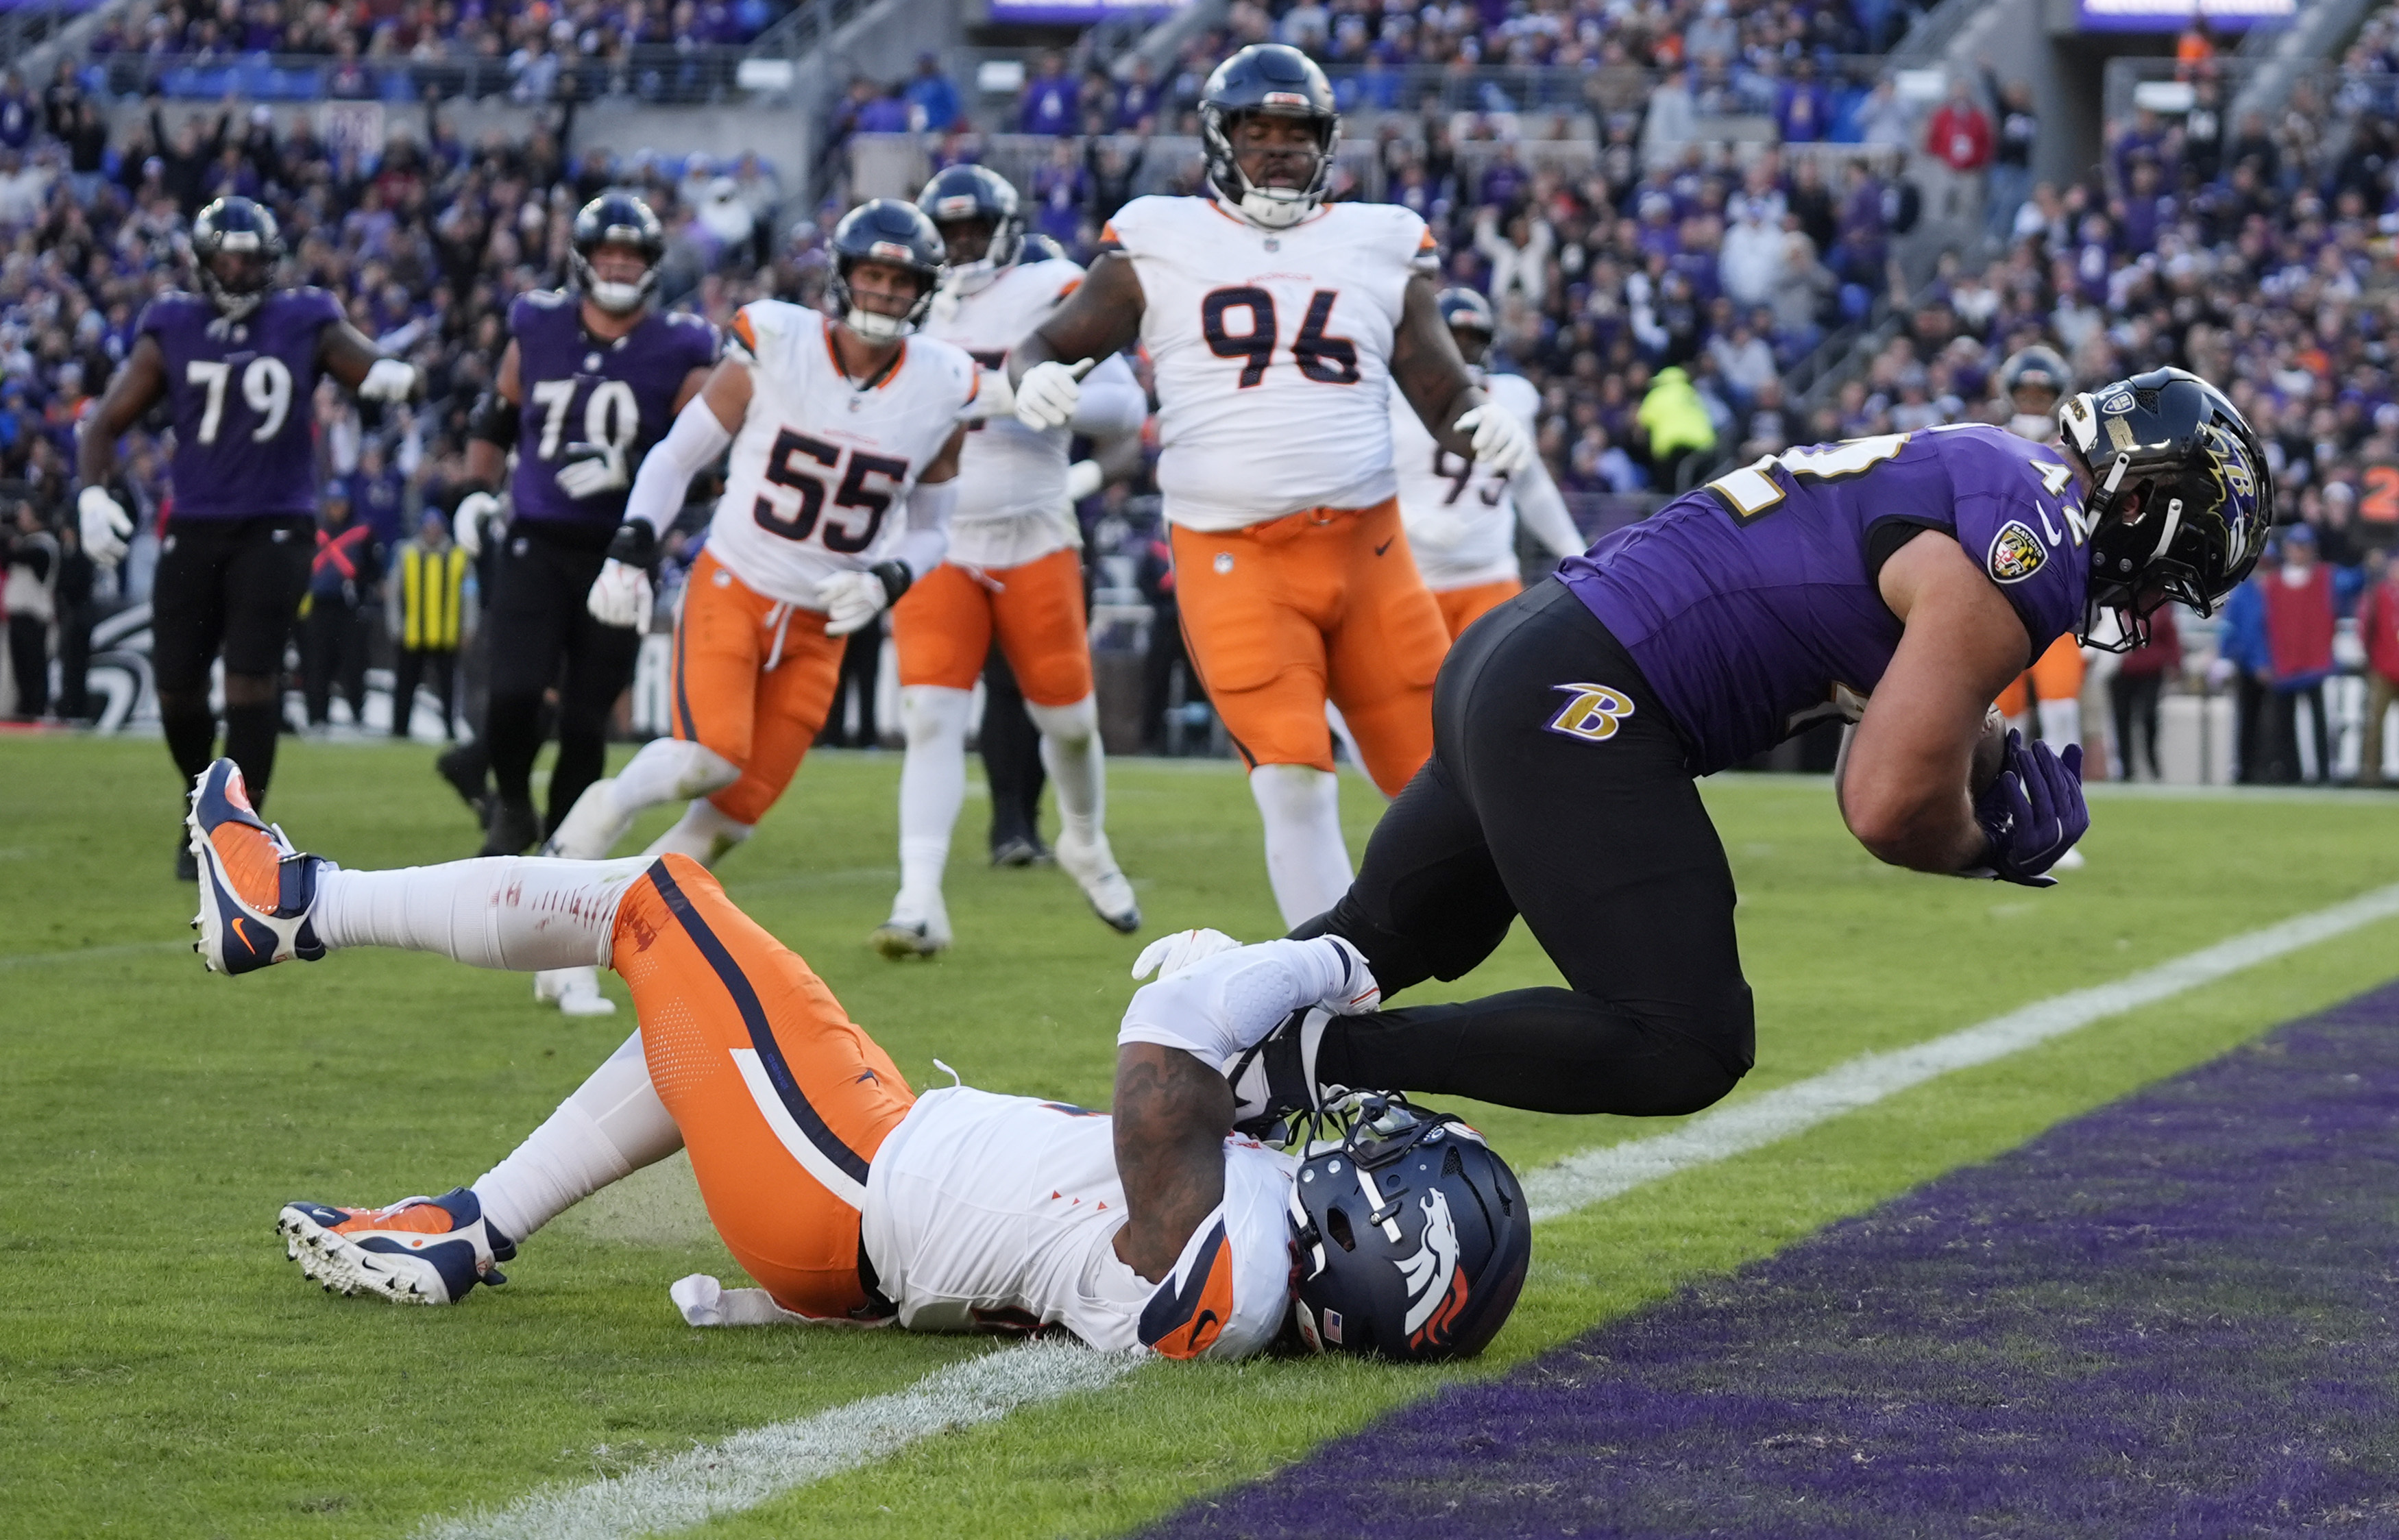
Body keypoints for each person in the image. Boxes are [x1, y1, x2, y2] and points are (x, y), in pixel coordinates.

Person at [182, 757, 1528, 1362]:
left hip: (848, 1184)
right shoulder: (1249, 1263)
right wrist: (1227, 993)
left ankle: (295, 900)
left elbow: (1163, 1063)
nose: (1357, 1140)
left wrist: (1334, 959)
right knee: (706, 1030)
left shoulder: (1230, 1261)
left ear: (1368, 1238)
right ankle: (468, 1227)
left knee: (658, 902)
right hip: (872, 1171)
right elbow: (1195, 1090)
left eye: (1380, 1164)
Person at [1230, 369, 2270, 1128]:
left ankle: (1198, 1060)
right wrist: (1978, 846)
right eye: (2169, 568)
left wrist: (1988, 758)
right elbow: (1884, 802)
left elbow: (1877, 661)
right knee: (1684, 1036)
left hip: (1523, 650)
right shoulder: (2036, 546)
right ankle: (1322, 1062)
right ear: (2140, 503)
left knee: (1383, 941)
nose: (2143, 598)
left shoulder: (1995, 465)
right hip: (1590, 696)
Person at [1008, 45, 1534, 928]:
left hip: (1368, 553)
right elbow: (1047, 344)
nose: (1278, 149)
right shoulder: (1157, 237)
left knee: (1446, 781)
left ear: (1325, 143)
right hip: (1232, 557)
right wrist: (1029, 377)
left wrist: (1486, 418)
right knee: (1291, 777)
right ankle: (1327, 1004)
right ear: (1222, 138)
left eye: (1296, 133)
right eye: (1259, 130)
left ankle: (1407, 959)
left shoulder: (1380, 241)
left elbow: (1440, 391)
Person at [533, 200, 973, 1009]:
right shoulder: (778, 343)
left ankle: (586, 931)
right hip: (737, 581)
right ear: (842, 278)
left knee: (733, 816)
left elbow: (934, 528)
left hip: (822, 620)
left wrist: (886, 580)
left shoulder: (944, 385)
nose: (880, 292)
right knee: (711, 755)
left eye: (898, 279)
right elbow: (675, 458)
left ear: (922, 290)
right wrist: (632, 545)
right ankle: (578, 841)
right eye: (870, 274)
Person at [75, 195, 418, 878]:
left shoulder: (304, 316)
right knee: (175, 684)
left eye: (250, 259)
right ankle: (205, 798)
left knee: (250, 682)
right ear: (203, 263)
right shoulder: (172, 322)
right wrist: (90, 493)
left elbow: (361, 359)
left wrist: (384, 375)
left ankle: (238, 831)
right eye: (226, 258)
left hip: (277, 524)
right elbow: (103, 423)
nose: (237, 270)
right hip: (197, 522)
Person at [870, 164, 1147, 958]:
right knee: (930, 717)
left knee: (1066, 720)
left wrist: (1042, 389)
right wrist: (993, 395)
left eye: (970, 230)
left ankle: (1084, 840)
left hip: (1033, 529)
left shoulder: (1051, 284)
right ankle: (916, 898)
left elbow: (1123, 406)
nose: (959, 246)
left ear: (1001, 227)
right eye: (947, 232)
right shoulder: (906, 303)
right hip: (936, 534)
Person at [450, 193, 718, 864]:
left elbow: (708, 462)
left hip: (621, 549)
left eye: (632, 254)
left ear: (653, 264)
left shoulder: (681, 344)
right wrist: (474, 491)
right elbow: (497, 418)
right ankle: (511, 802)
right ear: (584, 259)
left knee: (584, 717)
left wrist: (629, 464)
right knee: (512, 692)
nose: (620, 264)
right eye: (608, 252)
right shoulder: (539, 326)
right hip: (536, 537)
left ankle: (562, 852)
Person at [1389, 289, 1585, 639]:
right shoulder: (1393, 396)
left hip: (1491, 575)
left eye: (1473, 340)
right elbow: (1360, 481)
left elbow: (1530, 483)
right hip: (1411, 577)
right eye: (1454, 340)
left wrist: (1575, 551)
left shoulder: (1512, 397)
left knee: (1492, 690)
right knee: (1409, 692)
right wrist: (1412, 521)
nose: (1463, 352)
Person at [302, 489, 381, 730]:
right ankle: (317, 716)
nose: (337, 509)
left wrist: (361, 588)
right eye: (333, 504)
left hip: (350, 607)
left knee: (354, 664)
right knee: (317, 664)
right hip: (319, 606)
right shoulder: (314, 531)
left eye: (341, 503)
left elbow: (373, 569)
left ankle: (357, 714)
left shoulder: (362, 532)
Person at [391, 507, 469, 740]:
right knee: (406, 685)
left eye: (437, 527)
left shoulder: (457, 556)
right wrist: (397, 626)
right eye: (429, 527)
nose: (433, 532)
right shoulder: (408, 554)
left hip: (446, 633)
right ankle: (399, 729)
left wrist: (468, 628)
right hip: (413, 632)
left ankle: (450, 729)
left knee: (448, 688)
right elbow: (395, 593)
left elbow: (470, 594)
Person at [3, 501, 56, 719]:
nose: (20, 517)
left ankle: (37, 710)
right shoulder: (24, 541)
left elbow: (21, 556)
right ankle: (25, 710)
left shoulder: (44, 543)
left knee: (34, 668)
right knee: (20, 671)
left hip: (34, 616)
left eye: (25, 513)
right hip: (17, 615)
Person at [2358, 552, 2399, 787]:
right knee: (2374, 724)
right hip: (2383, 667)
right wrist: (2370, 656)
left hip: (2387, 664)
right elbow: (2366, 626)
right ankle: (2371, 773)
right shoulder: (2378, 593)